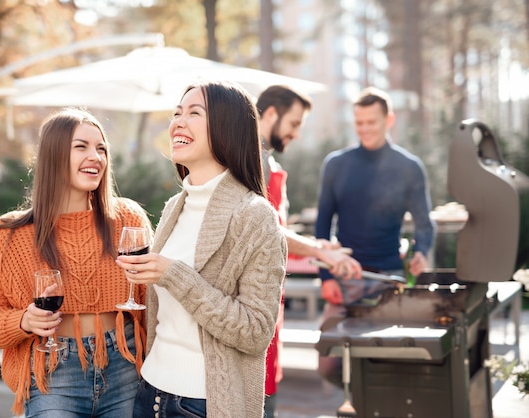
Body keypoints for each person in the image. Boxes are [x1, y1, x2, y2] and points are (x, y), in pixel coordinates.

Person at [115, 80, 287, 418]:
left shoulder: (255, 218)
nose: (178, 121)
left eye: (194, 113)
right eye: (177, 112)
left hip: (202, 404)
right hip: (148, 393)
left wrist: (173, 275)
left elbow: (255, 331)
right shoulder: (173, 209)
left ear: (228, 128)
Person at [0, 107, 152, 417]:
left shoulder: (128, 219)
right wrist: (23, 321)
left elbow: (155, 303)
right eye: (81, 146)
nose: (95, 156)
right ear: (53, 155)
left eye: (101, 148)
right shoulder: (9, 235)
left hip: (126, 365)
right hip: (54, 374)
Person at [314, 86, 435, 385]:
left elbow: (424, 222)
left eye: (372, 122)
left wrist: (422, 249)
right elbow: (322, 224)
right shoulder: (336, 164)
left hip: (389, 280)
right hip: (345, 278)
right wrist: (326, 276)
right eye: (359, 122)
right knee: (329, 366)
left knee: (384, 364)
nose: (365, 129)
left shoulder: (409, 167)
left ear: (388, 120)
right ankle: (359, 402)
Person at [255, 85, 362, 416]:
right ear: (271, 113)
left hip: (271, 298)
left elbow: (278, 230)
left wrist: (319, 247)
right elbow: (264, 231)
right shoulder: (250, 160)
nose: (296, 133)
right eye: (295, 123)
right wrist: (318, 251)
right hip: (254, 300)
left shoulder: (266, 160)